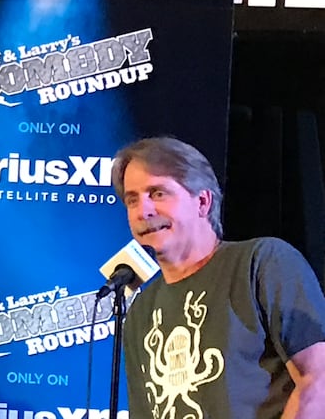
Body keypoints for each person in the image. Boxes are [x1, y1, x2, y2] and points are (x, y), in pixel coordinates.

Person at [112, 136, 325, 419]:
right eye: (132, 199)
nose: (144, 211)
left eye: (158, 193)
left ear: (202, 201)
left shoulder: (262, 262)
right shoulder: (140, 310)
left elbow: (317, 379)